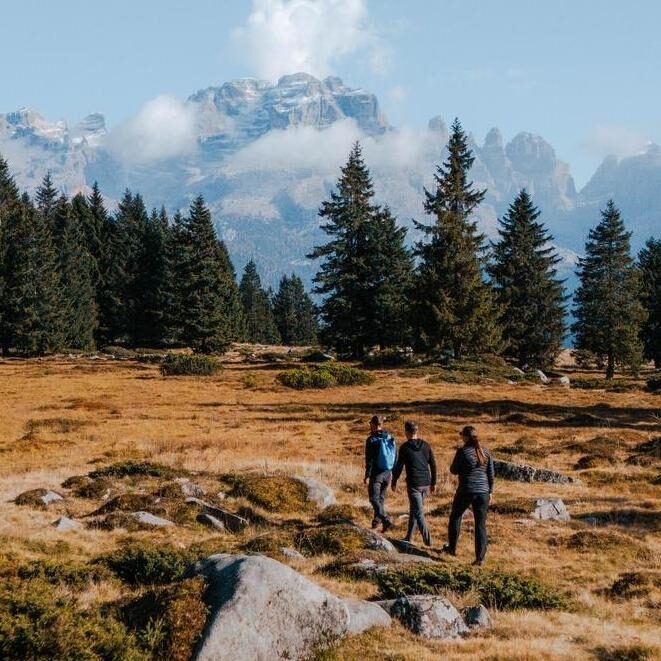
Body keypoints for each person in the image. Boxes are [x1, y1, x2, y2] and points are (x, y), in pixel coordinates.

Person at [443, 425, 495, 566]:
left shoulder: (463, 451)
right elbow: (490, 474)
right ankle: (480, 558)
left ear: (465, 436)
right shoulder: (486, 451)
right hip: (483, 492)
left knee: (455, 517)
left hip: (466, 490)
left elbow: (454, 470)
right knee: (480, 525)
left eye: (462, 435)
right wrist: (490, 491)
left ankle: (452, 548)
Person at [391, 420, 436, 546]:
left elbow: (399, 466)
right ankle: (408, 537)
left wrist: (394, 481)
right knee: (414, 510)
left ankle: (428, 542)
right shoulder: (426, 445)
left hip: (414, 484)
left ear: (406, 432)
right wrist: (434, 483)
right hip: (426, 483)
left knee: (418, 512)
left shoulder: (405, 447)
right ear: (417, 431)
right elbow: (433, 464)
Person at [363, 414, 396, 532]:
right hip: (388, 473)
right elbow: (394, 456)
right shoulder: (389, 437)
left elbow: (369, 460)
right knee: (380, 498)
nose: (369, 425)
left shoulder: (371, 440)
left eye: (370, 423)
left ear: (373, 424)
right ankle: (376, 522)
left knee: (373, 498)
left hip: (377, 474)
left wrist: (367, 475)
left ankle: (386, 519)